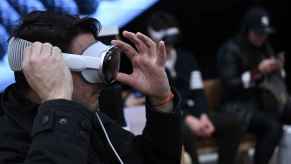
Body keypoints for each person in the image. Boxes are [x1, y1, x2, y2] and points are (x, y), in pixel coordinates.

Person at [0, 11, 182, 164]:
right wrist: (58, 104)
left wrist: (161, 100)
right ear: (46, 70)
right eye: (91, 72)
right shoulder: (8, 140)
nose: (102, 82)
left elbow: (152, 160)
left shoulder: (86, 114)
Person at [147, 11, 241, 164]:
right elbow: (162, 101)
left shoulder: (186, 58)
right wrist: (187, 119)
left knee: (233, 122)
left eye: (172, 42)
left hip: (196, 114)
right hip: (174, 118)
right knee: (182, 132)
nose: (169, 47)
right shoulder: (151, 66)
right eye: (165, 42)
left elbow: (198, 92)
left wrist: (203, 115)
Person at [217, 7, 291, 164]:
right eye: (258, 33)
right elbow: (230, 84)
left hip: (264, 102)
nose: (262, 37)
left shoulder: (265, 47)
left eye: (264, 33)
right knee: (272, 127)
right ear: (247, 30)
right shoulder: (230, 49)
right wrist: (257, 72)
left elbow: (276, 81)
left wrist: (278, 68)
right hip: (239, 107)